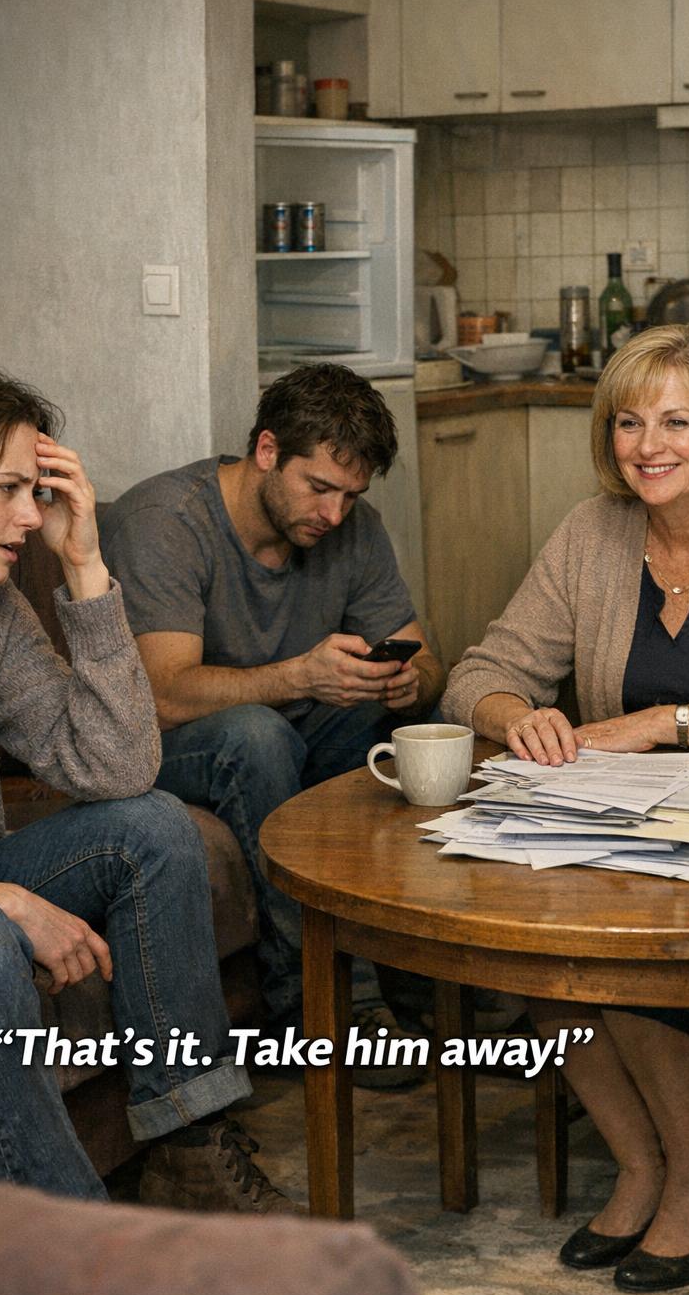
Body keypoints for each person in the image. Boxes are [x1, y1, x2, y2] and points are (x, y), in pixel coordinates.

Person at [0, 361, 295, 1213]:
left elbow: (117, 768)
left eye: (35, 492)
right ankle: (73, 1248)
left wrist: (87, 569)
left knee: (153, 827)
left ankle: (190, 1148)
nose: (32, 518)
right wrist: (0, 901)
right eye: (8, 490)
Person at [442, 323, 689, 1293]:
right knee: (528, 933)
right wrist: (520, 715)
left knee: (635, 936)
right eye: (627, 422)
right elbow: (476, 674)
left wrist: (662, 723)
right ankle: (640, 1161)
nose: (647, 446)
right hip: (635, 823)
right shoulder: (591, 532)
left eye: (675, 422)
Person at [100, 363, 445, 1081]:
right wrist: (300, 676)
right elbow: (161, 696)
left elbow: (426, 659)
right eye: (318, 487)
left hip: (294, 726)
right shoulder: (165, 521)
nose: (334, 514)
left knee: (419, 728)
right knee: (255, 735)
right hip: (163, 744)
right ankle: (318, 1009)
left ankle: (424, 976)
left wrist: (408, 684)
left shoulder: (353, 529)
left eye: (351, 495)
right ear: (266, 450)